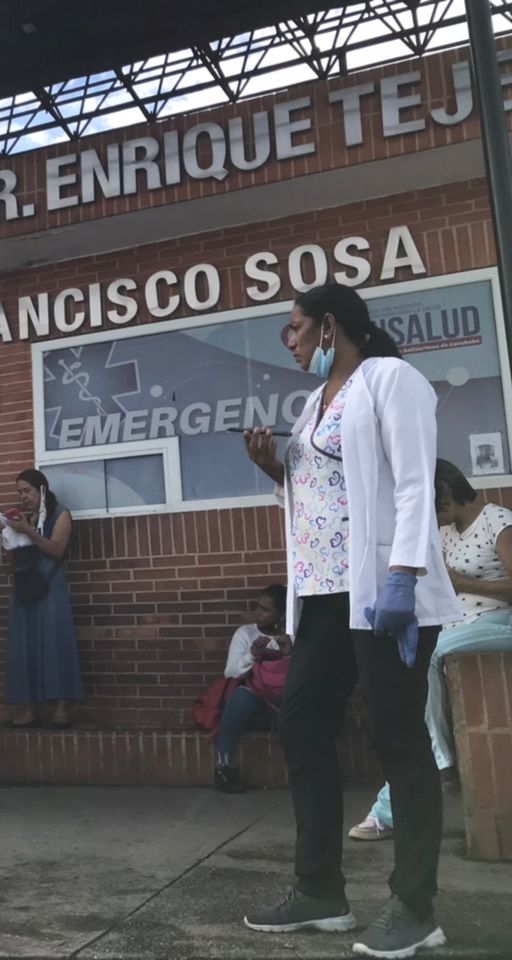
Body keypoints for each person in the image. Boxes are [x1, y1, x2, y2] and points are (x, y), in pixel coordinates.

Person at [240, 283, 461, 959]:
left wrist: (403, 576)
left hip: (382, 593)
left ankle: (416, 907)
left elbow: (415, 483)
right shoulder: (314, 403)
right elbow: (324, 493)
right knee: (302, 726)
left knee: (399, 740)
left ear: (330, 326)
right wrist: (274, 470)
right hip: (324, 598)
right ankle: (320, 892)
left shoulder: (392, 380)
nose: (289, 339)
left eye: (295, 326)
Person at [351, 460, 512, 842]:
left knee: (431, 656)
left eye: (434, 505)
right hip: (458, 626)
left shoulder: (498, 521)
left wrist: (463, 583)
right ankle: (399, 797)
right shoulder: (445, 532)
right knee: (415, 668)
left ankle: (438, 764)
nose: (433, 517)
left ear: (448, 492)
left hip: (498, 621)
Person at [1, 468, 83, 729]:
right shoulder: (24, 517)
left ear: (42, 490)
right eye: (19, 492)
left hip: (50, 583)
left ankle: (61, 709)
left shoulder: (61, 514)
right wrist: (9, 535)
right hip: (26, 585)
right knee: (25, 644)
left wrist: (29, 531)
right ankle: (29, 709)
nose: (23, 496)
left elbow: (57, 549)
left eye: (27, 491)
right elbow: (13, 559)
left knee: (55, 642)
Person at [214, 584, 291, 794]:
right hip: (258, 709)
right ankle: (224, 768)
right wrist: (252, 655)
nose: (258, 613)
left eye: (265, 610)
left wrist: (288, 655)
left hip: (287, 705)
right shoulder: (246, 633)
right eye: (257, 607)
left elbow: (304, 677)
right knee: (241, 695)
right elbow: (231, 673)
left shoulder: (292, 636)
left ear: (281, 614)